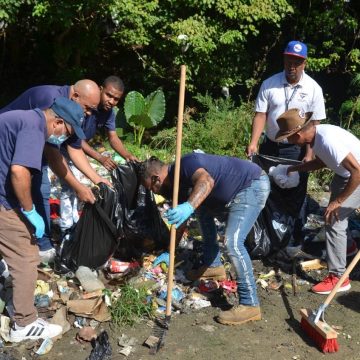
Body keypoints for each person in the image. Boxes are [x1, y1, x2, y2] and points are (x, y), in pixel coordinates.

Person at [139, 153, 270, 325]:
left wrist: (188, 206)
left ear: (156, 178)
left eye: (151, 188)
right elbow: (182, 221)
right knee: (201, 209)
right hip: (231, 193)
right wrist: (170, 252)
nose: (154, 192)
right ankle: (213, 265)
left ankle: (250, 304)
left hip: (251, 185)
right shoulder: (176, 187)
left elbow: (207, 182)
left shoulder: (185, 164)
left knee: (233, 242)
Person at [0, 97, 85, 342]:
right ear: (57, 122)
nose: (64, 139)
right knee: (27, 255)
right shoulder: (34, 128)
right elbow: (18, 171)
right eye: (67, 132)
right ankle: (24, 323)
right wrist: (29, 211)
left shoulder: (24, 118)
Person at [0, 80, 109, 262]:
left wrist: (98, 179)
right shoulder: (50, 100)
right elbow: (53, 156)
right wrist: (78, 187)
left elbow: (74, 149)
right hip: (9, 145)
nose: (88, 113)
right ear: (75, 96)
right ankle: (37, 242)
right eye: (88, 108)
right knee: (22, 189)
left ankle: (38, 240)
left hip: (32, 146)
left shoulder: (72, 112)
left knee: (38, 189)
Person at [246, 40, 326, 242]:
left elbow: (315, 125)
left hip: (296, 150)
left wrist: (309, 154)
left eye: (297, 62)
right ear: (284, 59)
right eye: (289, 60)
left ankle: (294, 238)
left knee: (295, 194)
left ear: (304, 63)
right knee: (266, 189)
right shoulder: (270, 84)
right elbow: (260, 115)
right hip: (271, 146)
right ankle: (268, 236)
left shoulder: (313, 88)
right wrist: (253, 143)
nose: (292, 66)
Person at [275, 108, 360, 294]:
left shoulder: (328, 140)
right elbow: (322, 162)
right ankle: (348, 247)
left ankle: (339, 277)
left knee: (334, 218)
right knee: (332, 216)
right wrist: (295, 168)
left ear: (298, 133)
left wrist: (339, 201)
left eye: (288, 137)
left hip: (356, 174)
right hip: (344, 174)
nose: (289, 142)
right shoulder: (317, 137)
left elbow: (357, 171)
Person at [59, 76, 138, 233]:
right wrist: (99, 157)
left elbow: (113, 137)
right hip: (62, 145)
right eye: (109, 95)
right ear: (101, 89)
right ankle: (66, 227)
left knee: (76, 185)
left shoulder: (108, 114)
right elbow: (76, 139)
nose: (111, 101)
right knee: (69, 186)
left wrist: (127, 156)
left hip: (76, 149)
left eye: (116, 99)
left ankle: (73, 222)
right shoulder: (86, 105)